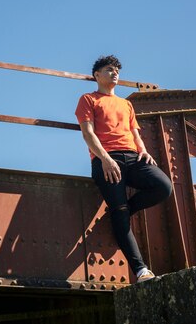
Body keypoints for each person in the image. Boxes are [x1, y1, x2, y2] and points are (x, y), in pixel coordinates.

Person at [75, 55, 173, 283]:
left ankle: (125, 209)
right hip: (107, 161)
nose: (115, 73)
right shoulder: (88, 99)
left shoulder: (126, 104)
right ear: (97, 75)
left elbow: (135, 132)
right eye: (109, 69)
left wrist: (144, 150)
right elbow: (88, 134)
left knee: (164, 186)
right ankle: (141, 271)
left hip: (134, 158)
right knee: (119, 213)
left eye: (117, 70)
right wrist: (106, 159)